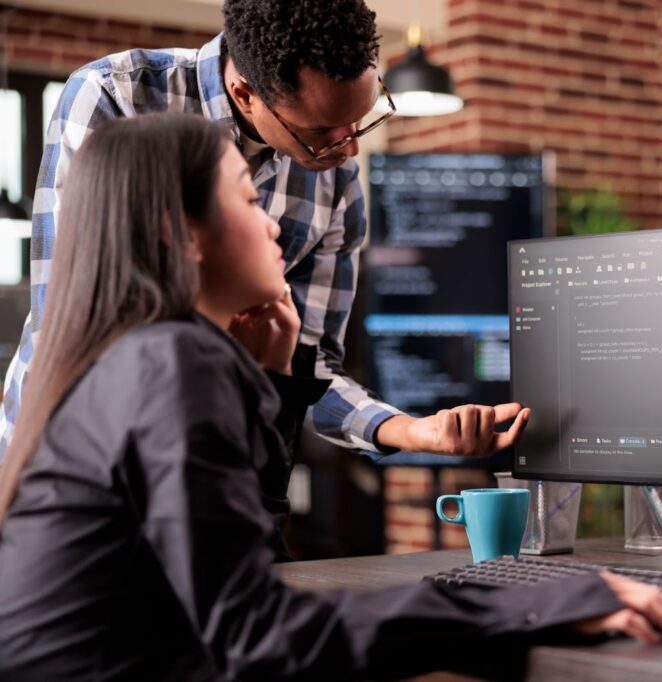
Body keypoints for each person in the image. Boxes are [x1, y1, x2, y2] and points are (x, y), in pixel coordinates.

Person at [0, 113, 662, 680]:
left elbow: (241, 568)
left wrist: (275, 385)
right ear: (179, 233)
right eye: (248, 198)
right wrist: (534, 605)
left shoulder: (129, 358)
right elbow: (258, 638)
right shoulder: (172, 363)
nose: (274, 223)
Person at [0, 0, 523, 463]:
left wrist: (411, 430)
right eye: (320, 134)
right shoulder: (119, 96)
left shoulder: (335, 180)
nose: (349, 152)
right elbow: (76, 319)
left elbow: (310, 369)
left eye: (362, 121)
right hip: (70, 451)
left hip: (212, 458)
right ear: (245, 94)